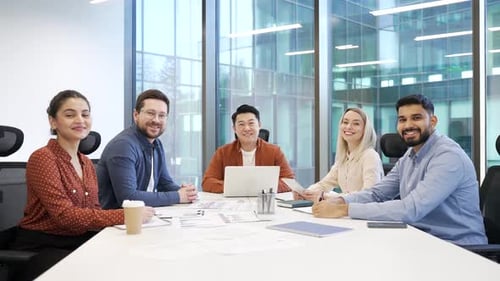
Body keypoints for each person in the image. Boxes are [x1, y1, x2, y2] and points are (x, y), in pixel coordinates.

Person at [9, 90, 155, 280]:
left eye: (85, 114)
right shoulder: (43, 158)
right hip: (43, 246)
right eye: (70, 115)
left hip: (77, 240)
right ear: (53, 122)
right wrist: (125, 215)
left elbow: (93, 209)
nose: (80, 120)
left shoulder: (86, 162)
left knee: (132, 257)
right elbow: (65, 216)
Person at [312, 94, 487, 245]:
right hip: (419, 237)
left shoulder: (448, 156)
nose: (408, 125)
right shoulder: (410, 155)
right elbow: (377, 193)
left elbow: (411, 209)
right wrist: (342, 201)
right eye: (402, 119)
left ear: (432, 121)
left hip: (456, 246)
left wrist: (345, 209)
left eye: (416, 118)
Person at [97, 89, 197, 209]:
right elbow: (128, 198)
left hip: (143, 216)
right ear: (136, 115)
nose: (156, 120)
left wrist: (186, 192)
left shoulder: (156, 144)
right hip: (117, 223)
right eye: (150, 113)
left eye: (161, 115)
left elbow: (164, 183)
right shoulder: (123, 145)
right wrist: (178, 196)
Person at [294, 108, 383, 201]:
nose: (348, 127)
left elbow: (368, 195)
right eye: (345, 122)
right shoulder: (344, 156)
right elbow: (324, 184)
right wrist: (305, 193)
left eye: (356, 123)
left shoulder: (370, 156)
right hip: (346, 211)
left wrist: (326, 196)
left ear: (365, 130)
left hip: (362, 213)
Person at [202, 104, 295, 193]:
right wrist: (236, 187)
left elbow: (289, 181)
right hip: (234, 204)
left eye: (251, 123)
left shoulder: (274, 151)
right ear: (234, 128)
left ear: (259, 125)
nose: (247, 128)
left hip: (264, 202)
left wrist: (262, 188)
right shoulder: (223, 152)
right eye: (241, 124)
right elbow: (207, 182)